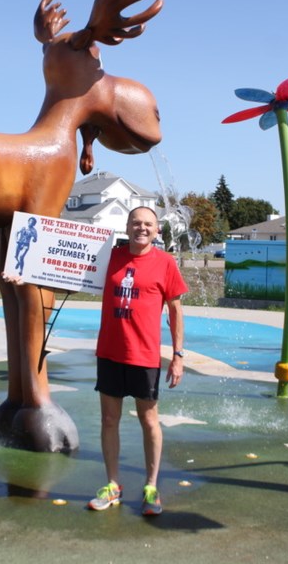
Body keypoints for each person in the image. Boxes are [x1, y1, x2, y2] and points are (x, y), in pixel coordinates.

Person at [88, 206, 188, 516]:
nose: (141, 228)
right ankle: (113, 485)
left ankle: (151, 487)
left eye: (147, 224)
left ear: (157, 230)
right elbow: (66, 273)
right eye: (135, 223)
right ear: (127, 226)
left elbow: (175, 312)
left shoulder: (165, 263)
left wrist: (178, 356)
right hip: (110, 352)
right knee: (108, 420)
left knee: (149, 420)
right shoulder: (111, 257)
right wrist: (23, 276)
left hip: (144, 355)